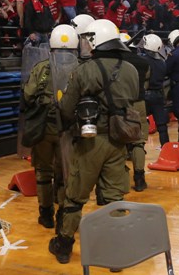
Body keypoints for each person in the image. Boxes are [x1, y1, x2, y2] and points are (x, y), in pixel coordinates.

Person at [51, 19, 138, 264]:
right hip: (119, 140)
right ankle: (117, 252)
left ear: (97, 40)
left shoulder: (84, 70)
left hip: (91, 141)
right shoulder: (130, 69)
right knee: (114, 197)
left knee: (75, 196)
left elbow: (67, 109)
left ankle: (64, 245)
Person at [23, 25, 79, 230]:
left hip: (44, 128)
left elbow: (28, 95)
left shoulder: (40, 68)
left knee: (43, 173)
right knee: (66, 173)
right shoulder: (79, 68)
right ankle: (64, 214)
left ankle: (45, 214)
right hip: (70, 128)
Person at [119, 32, 150, 192]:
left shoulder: (117, 62)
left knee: (121, 141)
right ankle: (140, 178)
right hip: (139, 103)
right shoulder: (143, 62)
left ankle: (122, 181)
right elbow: (146, 81)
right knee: (138, 142)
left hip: (121, 105)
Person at [140, 34, 169, 147]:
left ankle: (138, 149)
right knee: (162, 125)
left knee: (140, 124)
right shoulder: (162, 63)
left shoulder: (143, 60)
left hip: (145, 96)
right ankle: (166, 148)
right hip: (158, 95)